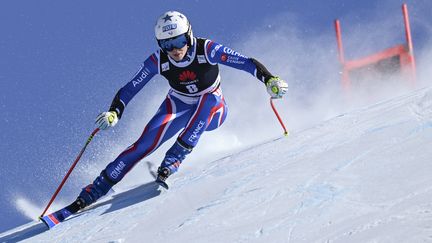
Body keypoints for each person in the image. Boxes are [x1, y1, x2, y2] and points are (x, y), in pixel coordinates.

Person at [41, 10, 287, 228]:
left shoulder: (206, 49)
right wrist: (115, 111)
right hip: (178, 104)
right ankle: (93, 191)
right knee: (143, 145)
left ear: (189, 36)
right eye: (167, 44)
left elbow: (245, 62)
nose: (175, 50)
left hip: (213, 109)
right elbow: (130, 88)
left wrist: (269, 79)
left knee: (209, 100)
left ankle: (175, 158)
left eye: (179, 41)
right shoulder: (158, 61)